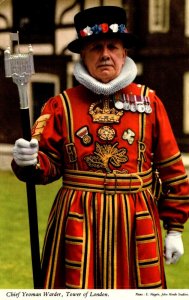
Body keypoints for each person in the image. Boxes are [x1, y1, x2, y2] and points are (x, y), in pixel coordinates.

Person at [12, 6, 189, 289]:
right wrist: (28, 161)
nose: (105, 54)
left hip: (137, 220)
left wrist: (175, 228)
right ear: (83, 54)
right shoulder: (61, 105)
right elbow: (47, 165)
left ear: (124, 53)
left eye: (112, 46)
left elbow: (172, 169)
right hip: (78, 219)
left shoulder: (150, 102)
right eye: (96, 47)